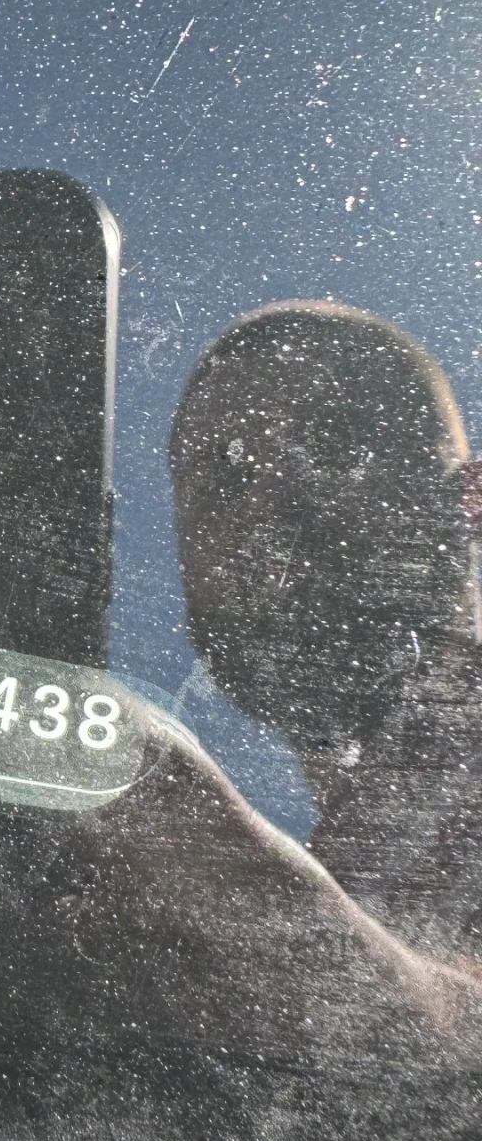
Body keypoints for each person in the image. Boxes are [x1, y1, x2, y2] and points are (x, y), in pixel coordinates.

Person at [171, 300, 482, 966]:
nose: (270, 502)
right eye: (226, 477)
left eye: (338, 446)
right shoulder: (352, 865)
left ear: (469, 502)